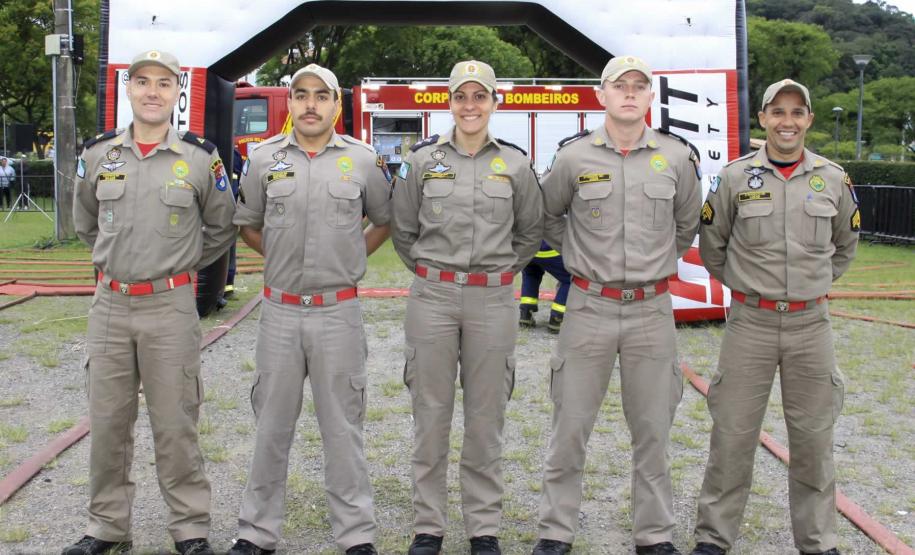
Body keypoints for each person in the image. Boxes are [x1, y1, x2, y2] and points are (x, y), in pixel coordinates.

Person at [68, 49, 236, 555]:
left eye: (164, 83)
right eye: (142, 81)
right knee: (108, 423)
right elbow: (86, 223)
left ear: (177, 93)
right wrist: (120, 261)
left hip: (169, 307)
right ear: (129, 88)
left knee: (176, 421)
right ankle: (107, 526)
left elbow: (222, 225)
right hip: (111, 306)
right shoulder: (99, 155)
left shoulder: (200, 158)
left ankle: (189, 528)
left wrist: (177, 265)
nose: (152, 92)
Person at [533, 55, 701, 555]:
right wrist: (578, 256)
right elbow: (548, 215)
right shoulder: (573, 158)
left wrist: (654, 261)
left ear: (651, 96)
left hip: (651, 308)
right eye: (619, 85)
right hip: (589, 306)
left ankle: (654, 535)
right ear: (600, 94)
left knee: (653, 430)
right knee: (570, 426)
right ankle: (555, 531)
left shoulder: (676, 157)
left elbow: (686, 224)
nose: (629, 93)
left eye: (639, 86)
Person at [690, 79, 859, 555]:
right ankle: (713, 537)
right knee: (732, 434)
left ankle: (818, 541)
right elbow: (713, 247)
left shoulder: (833, 179)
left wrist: (809, 286)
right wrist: (750, 288)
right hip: (752, 323)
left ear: (809, 120)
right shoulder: (734, 178)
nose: (787, 121)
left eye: (797, 112)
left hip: (811, 325)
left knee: (813, 438)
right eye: (777, 112)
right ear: (762, 118)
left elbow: (845, 246)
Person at [229, 63, 392, 555]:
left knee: (343, 428)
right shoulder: (263, 159)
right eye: (301, 94)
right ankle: (256, 533)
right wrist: (281, 257)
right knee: (271, 427)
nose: (311, 104)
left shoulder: (363, 160)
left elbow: (384, 219)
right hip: (279, 312)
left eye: (322, 95)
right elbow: (247, 223)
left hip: (337, 313)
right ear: (292, 102)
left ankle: (356, 534)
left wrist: (350, 256)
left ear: (336, 105)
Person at [391, 60, 543, 555]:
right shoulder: (422, 160)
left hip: (493, 299)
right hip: (433, 298)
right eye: (461, 96)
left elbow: (530, 232)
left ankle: (483, 527)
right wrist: (435, 273)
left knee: (485, 417)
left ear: (495, 102)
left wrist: (497, 274)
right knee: (430, 414)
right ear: (450, 102)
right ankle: (428, 527)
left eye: (480, 96)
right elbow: (403, 229)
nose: (470, 105)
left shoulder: (516, 164)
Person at [519, 240, 571, 333]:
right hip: (550, 249)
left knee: (531, 274)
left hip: (528, 249)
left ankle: (525, 314)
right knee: (570, 279)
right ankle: (557, 319)